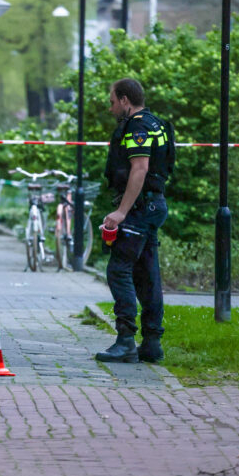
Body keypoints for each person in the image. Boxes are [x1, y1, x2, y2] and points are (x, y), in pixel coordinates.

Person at [96, 78, 175, 364]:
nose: (111, 107)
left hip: (141, 208)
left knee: (119, 270)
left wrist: (122, 212)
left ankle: (126, 341)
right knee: (147, 273)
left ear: (125, 100)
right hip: (154, 205)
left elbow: (139, 168)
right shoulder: (156, 123)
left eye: (113, 101)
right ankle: (152, 343)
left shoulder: (138, 126)